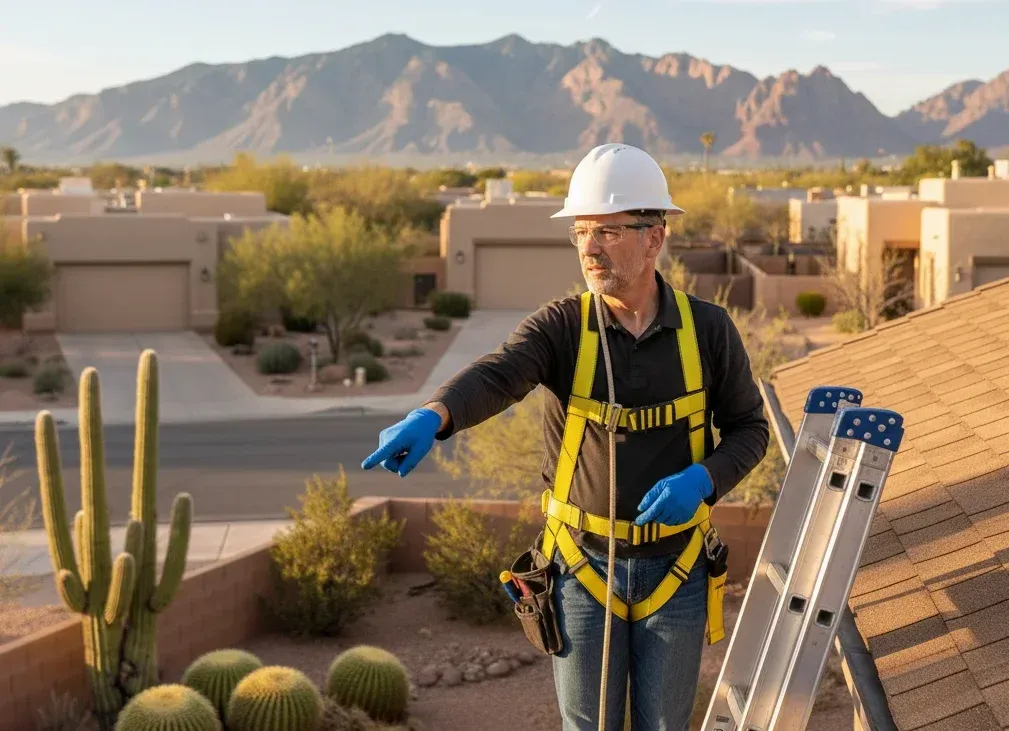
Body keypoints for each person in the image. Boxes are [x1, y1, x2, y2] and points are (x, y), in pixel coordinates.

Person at [362, 143, 769, 731]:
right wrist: (436, 415)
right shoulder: (563, 328)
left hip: (676, 571)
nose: (589, 247)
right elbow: (499, 373)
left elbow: (750, 429)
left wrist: (704, 479)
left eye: (606, 231)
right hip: (582, 572)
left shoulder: (706, 330)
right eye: (580, 232)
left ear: (654, 237)